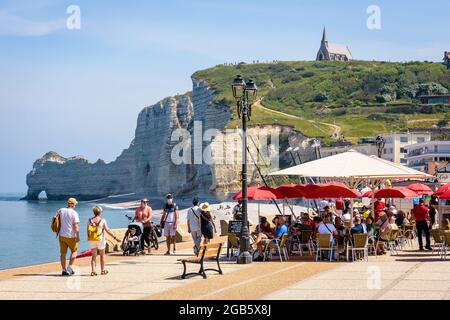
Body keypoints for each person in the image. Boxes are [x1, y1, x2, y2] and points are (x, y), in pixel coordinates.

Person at [87, 206, 121, 276]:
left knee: (93, 256)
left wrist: (89, 238)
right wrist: (115, 237)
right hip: (101, 239)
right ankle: (102, 270)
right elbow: (107, 230)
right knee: (102, 255)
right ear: (100, 212)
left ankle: (93, 271)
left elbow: (87, 231)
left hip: (92, 239)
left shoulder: (90, 220)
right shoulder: (102, 220)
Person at [58, 198, 80, 276]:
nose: (75, 205)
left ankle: (63, 270)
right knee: (74, 251)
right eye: (75, 204)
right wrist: (77, 236)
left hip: (61, 235)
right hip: (71, 236)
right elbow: (76, 226)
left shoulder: (61, 210)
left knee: (63, 253)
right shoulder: (74, 213)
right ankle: (69, 267)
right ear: (73, 204)